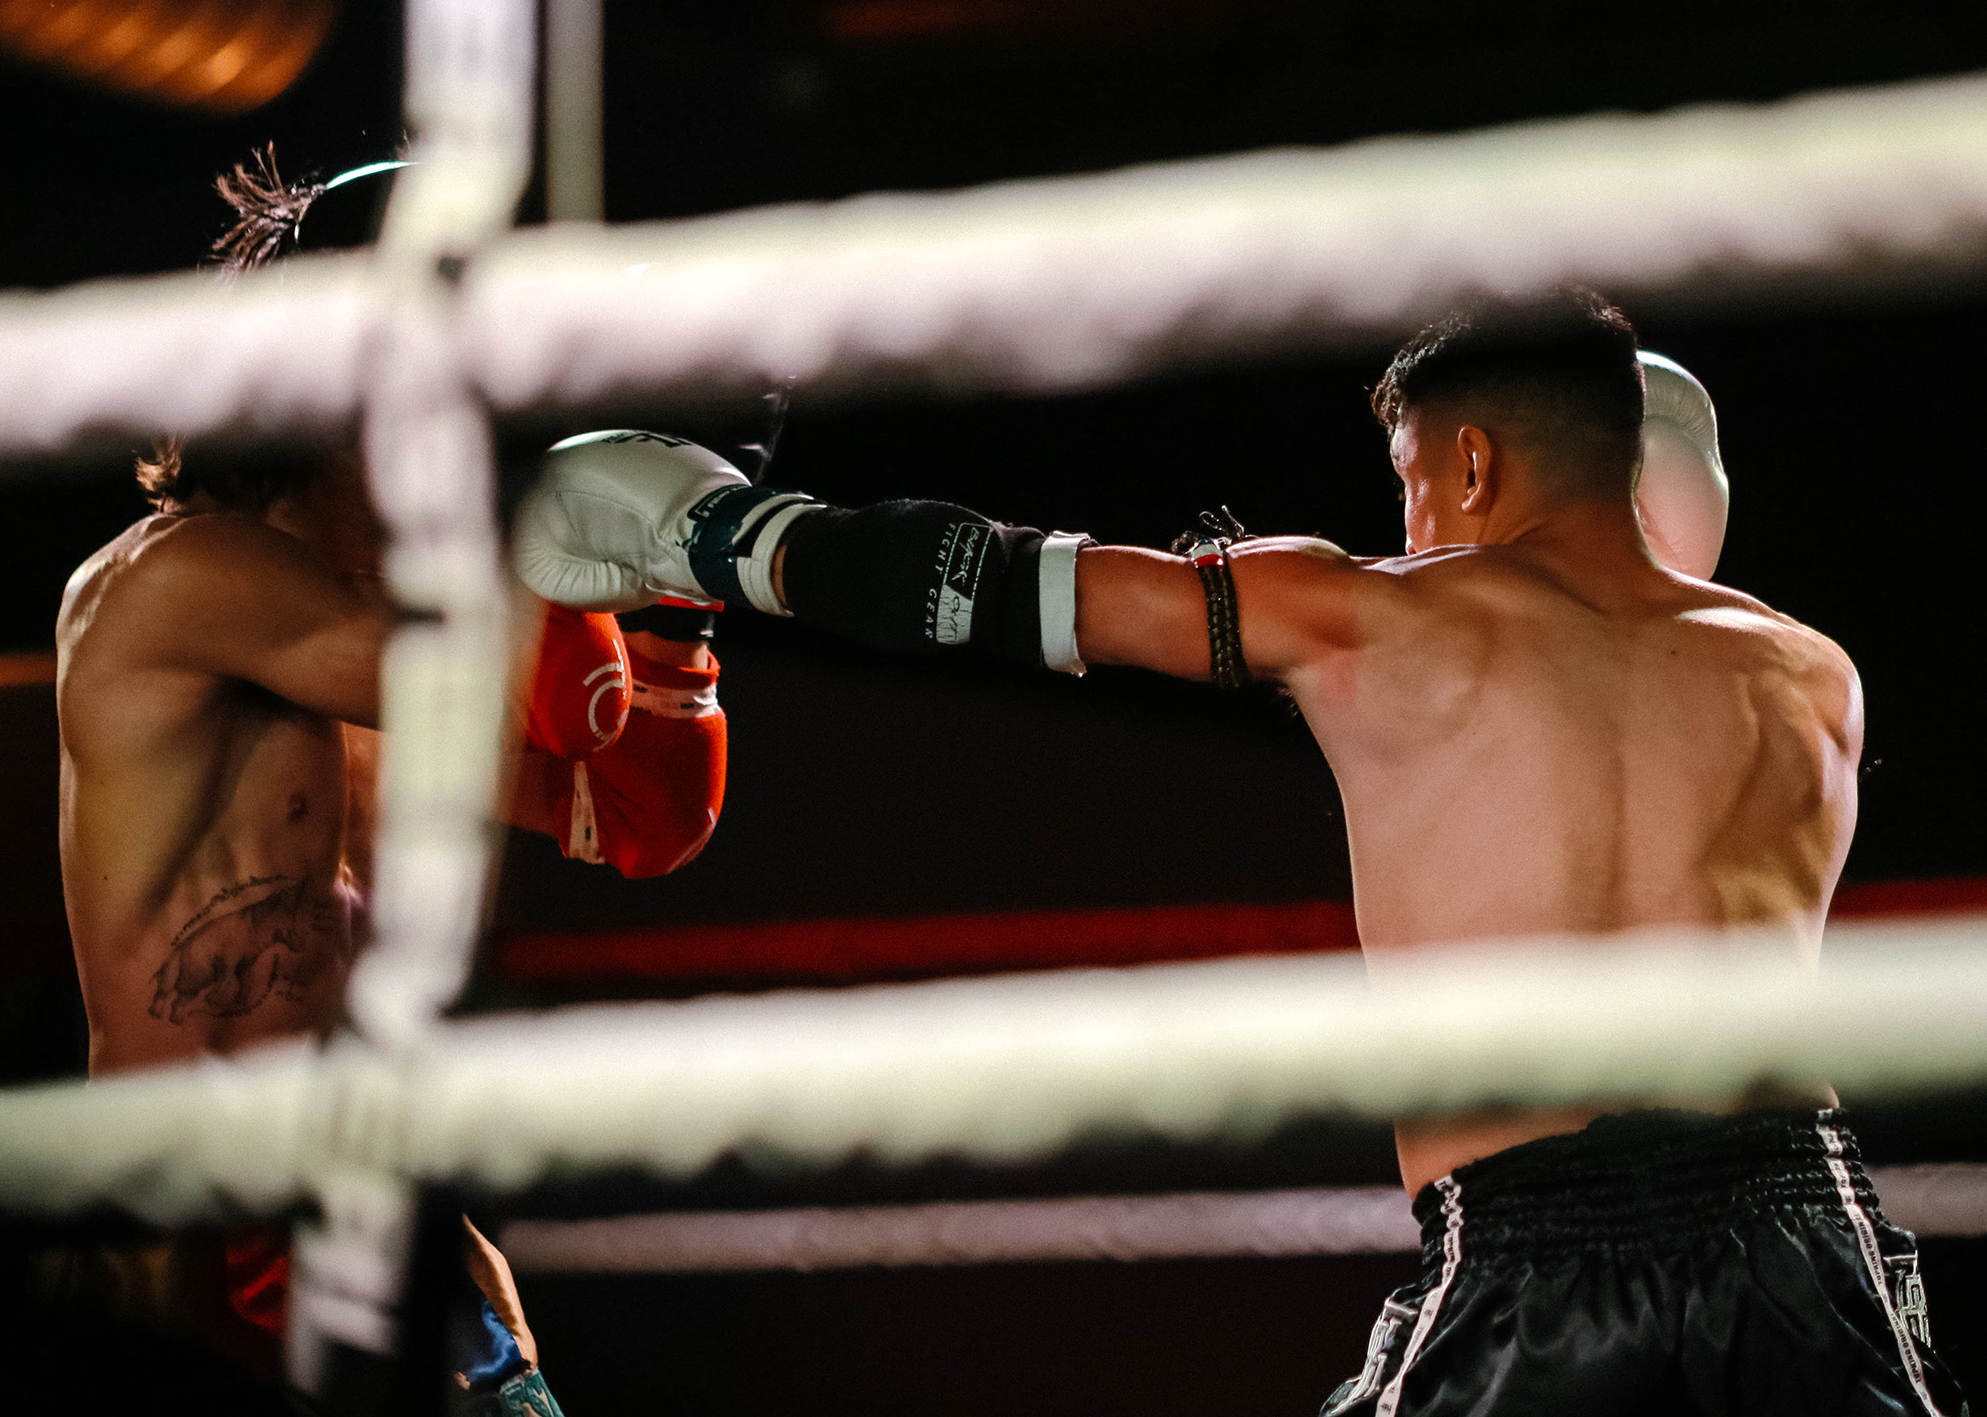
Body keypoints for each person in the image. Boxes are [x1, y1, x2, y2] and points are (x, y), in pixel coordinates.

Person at [513, 289, 1964, 1414]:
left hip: (1536, 1239)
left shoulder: (1368, 618)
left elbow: (1012, 588)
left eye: (1408, 477)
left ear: (1467, 457)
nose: (1405, 516)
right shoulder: (1809, 675)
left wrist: (728, 537)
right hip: (1801, 1229)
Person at [51, 149, 726, 1411]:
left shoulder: (377, 633)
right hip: (199, 1225)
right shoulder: (173, 583)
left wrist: (677, 593)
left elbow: (645, 811)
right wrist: (609, 510)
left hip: (399, 1229)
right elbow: (541, 690)